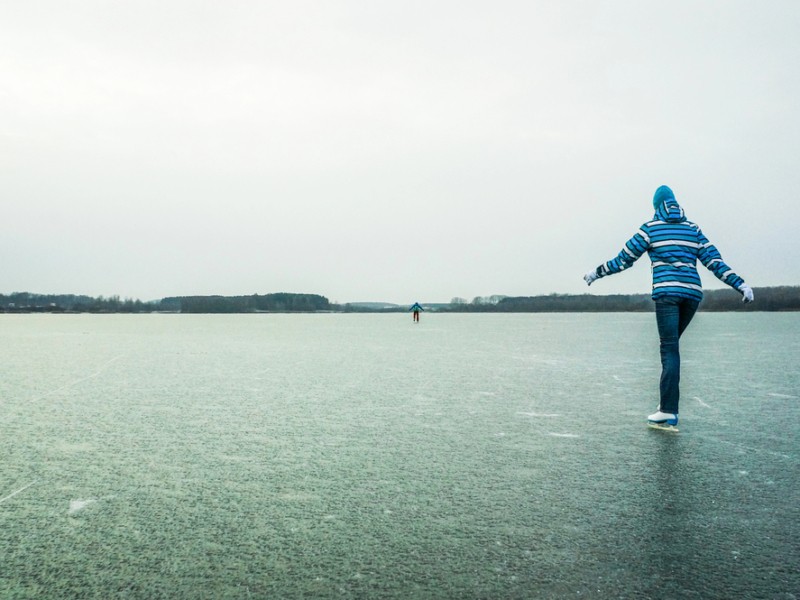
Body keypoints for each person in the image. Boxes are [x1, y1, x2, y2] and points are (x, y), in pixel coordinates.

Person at [583, 185, 754, 429]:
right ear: (675, 203)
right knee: (671, 347)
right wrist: (741, 285)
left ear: (656, 206)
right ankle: (667, 407)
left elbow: (624, 259)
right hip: (692, 296)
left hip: (667, 295)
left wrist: (596, 273)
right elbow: (714, 261)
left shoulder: (650, 229)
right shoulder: (692, 229)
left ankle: (668, 411)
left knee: (669, 349)